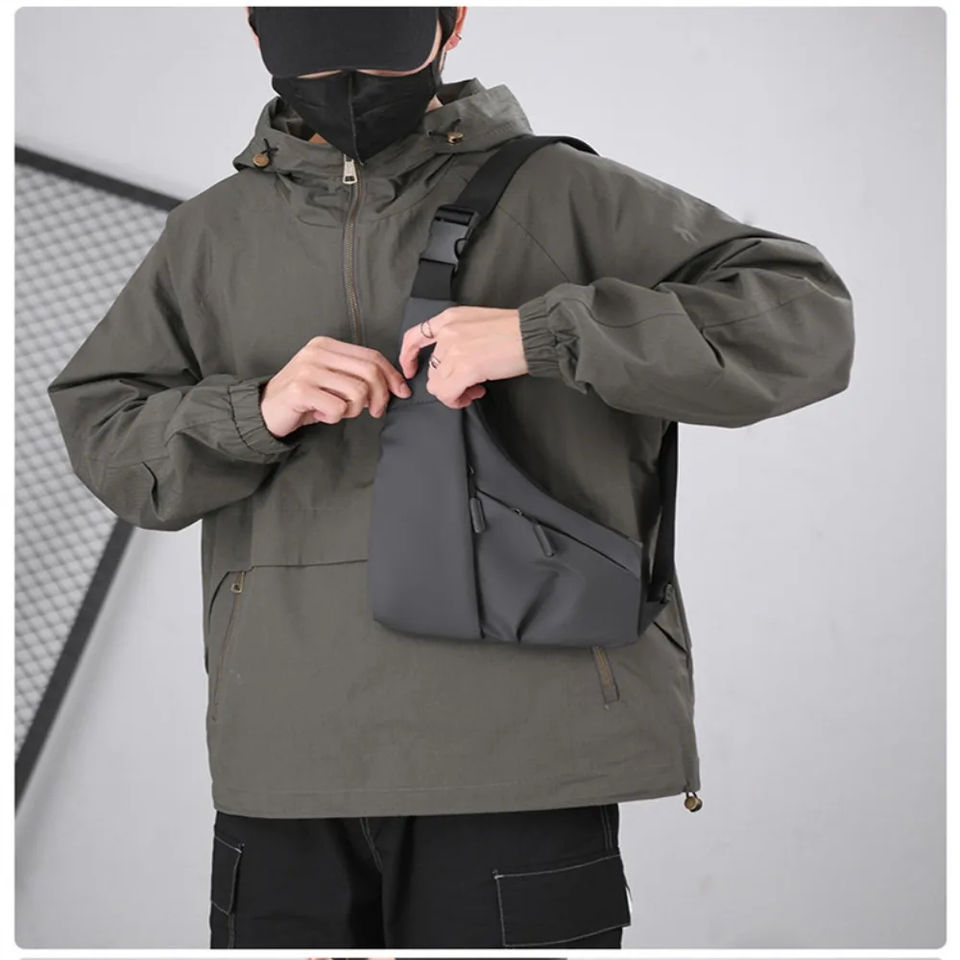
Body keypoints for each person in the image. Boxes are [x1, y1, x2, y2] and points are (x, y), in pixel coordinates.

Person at [46, 5, 856, 950]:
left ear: (452, 21)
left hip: (521, 757)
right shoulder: (209, 236)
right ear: (257, 31)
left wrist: (545, 335)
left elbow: (806, 320)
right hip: (286, 762)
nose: (348, 82)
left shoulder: (563, 196)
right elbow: (107, 441)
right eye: (317, 46)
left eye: (378, 47)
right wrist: (255, 410)